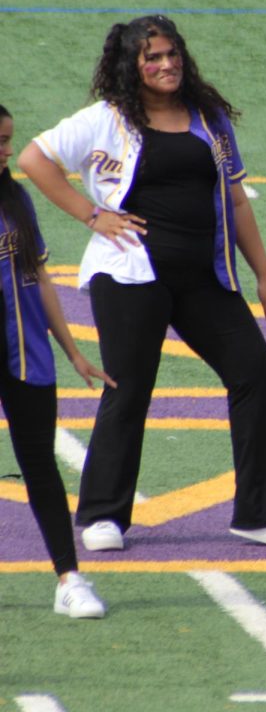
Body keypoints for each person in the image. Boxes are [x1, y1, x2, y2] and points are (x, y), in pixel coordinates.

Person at [17, 15, 266, 551]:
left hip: (206, 276)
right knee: (129, 387)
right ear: (131, 66)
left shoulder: (209, 120)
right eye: (152, 58)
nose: (165, 65)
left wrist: (265, 275)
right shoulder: (107, 118)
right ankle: (102, 517)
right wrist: (93, 215)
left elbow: (234, 200)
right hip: (132, 274)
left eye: (171, 55)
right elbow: (34, 158)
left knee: (253, 371)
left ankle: (264, 514)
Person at [0, 104, 112, 617]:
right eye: (0, 142)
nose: (7, 152)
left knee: (40, 467)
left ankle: (69, 578)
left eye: (8, 140)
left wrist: (72, 351)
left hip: (27, 356)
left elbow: (39, 278)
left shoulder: (16, 198)